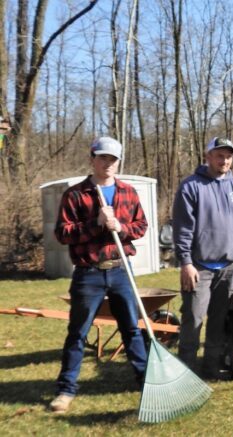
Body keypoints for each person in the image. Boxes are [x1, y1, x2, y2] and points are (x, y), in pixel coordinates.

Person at [50, 137, 148, 414]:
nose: (108, 164)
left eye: (113, 159)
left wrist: (123, 228)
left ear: (118, 162)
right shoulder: (75, 194)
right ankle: (65, 391)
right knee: (77, 334)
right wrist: (96, 224)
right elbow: (62, 234)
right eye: (103, 158)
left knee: (132, 330)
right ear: (92, 158)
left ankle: (146, 382)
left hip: (120, 270)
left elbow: (142, 226)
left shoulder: (128, 192)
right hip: (88, 273)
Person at [173, 136, 233, 380]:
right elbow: (183, 229)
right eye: (219, 155)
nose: (225, 160)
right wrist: (186, 262)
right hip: (199, 267)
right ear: (208, 156)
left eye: (229, 156)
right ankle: (186, 374)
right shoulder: (191, 187)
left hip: (229, 268)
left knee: (218, 322)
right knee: (193, 321)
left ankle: (210, 368)